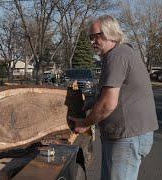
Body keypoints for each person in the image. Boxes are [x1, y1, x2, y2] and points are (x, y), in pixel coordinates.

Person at [68, 15, 158, 180]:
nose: (92, 41)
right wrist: (91, 102)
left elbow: (108, 104)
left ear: (111, 32)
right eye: (90, 37)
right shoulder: (118, 54)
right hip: (126, 136)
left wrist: (84, 123)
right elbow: (115, 93)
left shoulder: (117, 56)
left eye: (97, 36)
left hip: (127, 137)